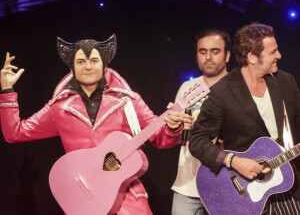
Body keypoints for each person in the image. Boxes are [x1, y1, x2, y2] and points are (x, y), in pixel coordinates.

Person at [0, 34, 186, 215]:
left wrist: (172, 126)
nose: (88, 66)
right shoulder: (59, 107)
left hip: (125, 195)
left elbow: (160, 138)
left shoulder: (128, 101)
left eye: (94, 61)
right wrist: (7, 90)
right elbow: (14, 133)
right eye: (81, 61)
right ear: (71, 68)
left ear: (104, 66)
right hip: (84, 199)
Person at [189, 23, 300, 214]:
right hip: (245, 194)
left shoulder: (285, 82)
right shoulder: (222, 92)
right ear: (252, 57)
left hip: (286, 188)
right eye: (273, 52)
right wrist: (232, 160)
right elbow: (197, 141)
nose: (279, 56)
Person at [171, 29, 231, 215]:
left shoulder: (238, 88)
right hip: (187, 186)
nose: (208, 57)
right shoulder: (187, 87)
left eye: (215, 51)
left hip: (226, 185)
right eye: (202, 52)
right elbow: (176, 137)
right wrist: (172, 126)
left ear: (227, 55)